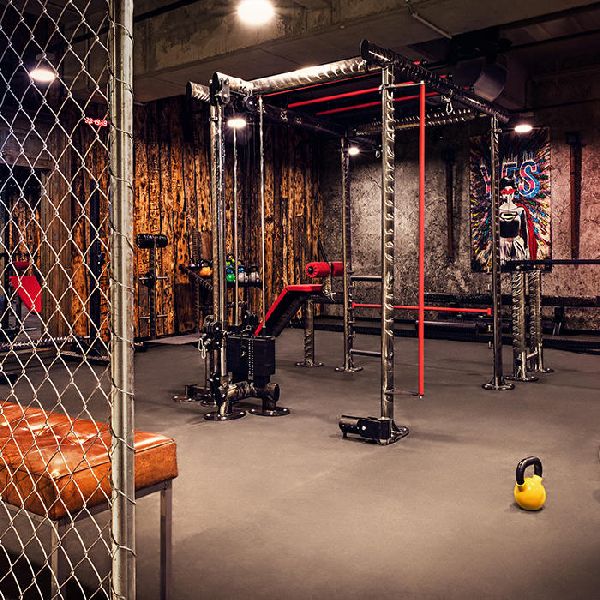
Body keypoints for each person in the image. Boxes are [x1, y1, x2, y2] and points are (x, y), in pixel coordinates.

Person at [498, 176, 537, 265]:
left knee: (518, 268)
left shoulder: (520, 210)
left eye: (510, 191)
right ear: (501, 193)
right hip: (502, 246)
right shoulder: (497, 211)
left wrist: (526, 248)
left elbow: (525, 231)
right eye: (505, 192)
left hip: (517, 244)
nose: (508, 195)